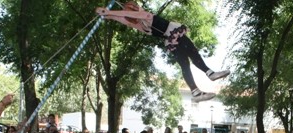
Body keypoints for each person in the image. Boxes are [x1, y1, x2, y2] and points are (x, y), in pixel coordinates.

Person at [96, 2, 230, 102]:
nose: (135, 9)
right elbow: (125, 19)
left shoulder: (145, 16)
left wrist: (108, 12)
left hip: (173, 40)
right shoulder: (141, 24)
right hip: (175, 38)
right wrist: (107, 14)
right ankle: (200, 85)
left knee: (189, 61)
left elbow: (129, 15)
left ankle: (201, 83)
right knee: (189, 60)